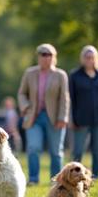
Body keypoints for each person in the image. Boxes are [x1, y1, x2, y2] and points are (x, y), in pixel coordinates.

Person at [18, 43, 70, 185]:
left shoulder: (60, 75)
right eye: (43, 54)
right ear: (38, 57)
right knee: (33, 147)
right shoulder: (30, 73)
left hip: (54, 117)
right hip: (34, 117)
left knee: (55, 151)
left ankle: (56, 180)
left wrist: (63, 117)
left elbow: (65, 98)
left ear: (54, 57)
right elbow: (22, 93)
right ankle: (33, 179)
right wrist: (26, 106)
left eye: (49, 55)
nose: (46, 57)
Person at [69, 45, 98, 179]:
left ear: (96, 58)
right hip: (80, 120)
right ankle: (73, 175)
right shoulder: (74, 76)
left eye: (92, 57)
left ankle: (95, 175)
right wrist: (72, 119)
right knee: (78, 150)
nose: (89, 60)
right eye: (87, 57)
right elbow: (71, 99)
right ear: (82, 59)